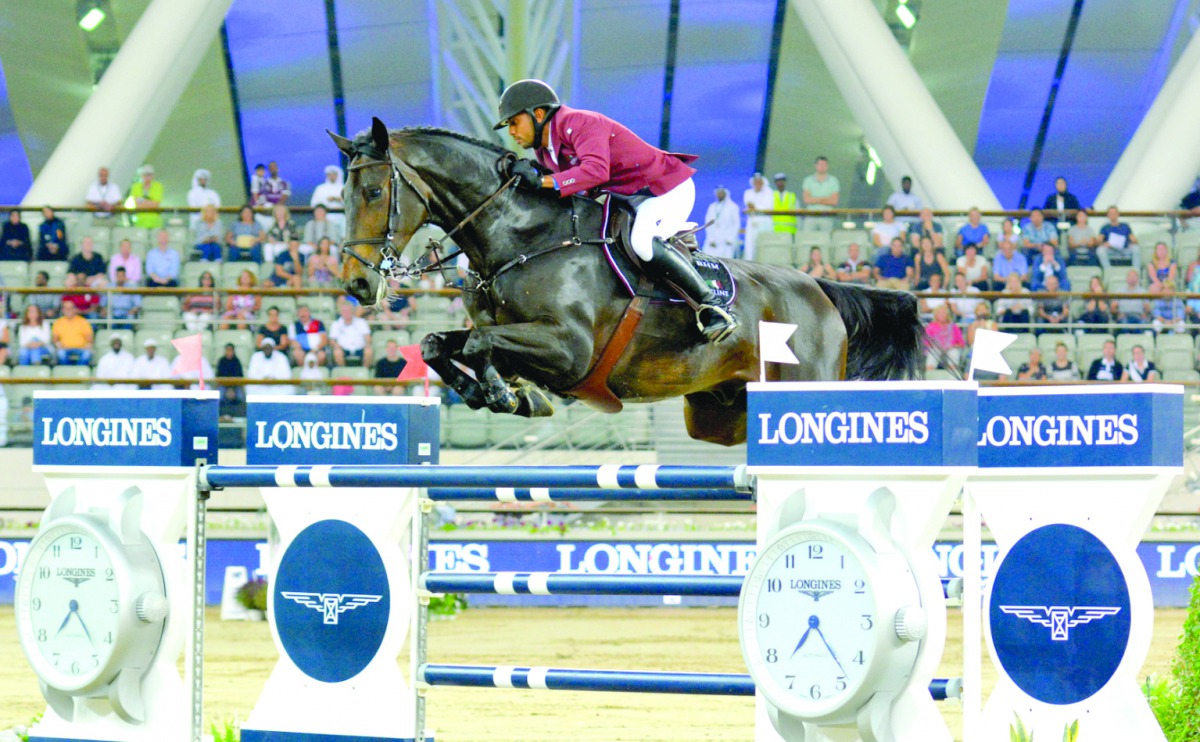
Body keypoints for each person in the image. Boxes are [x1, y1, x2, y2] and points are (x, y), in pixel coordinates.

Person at [494, 78, 736, 342]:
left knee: (642, 242)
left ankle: (712, 306)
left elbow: (596, 171)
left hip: (665, 189)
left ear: (538, 114)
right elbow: (572, 188)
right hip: (630, 199)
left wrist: (543, 181)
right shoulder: (545, 151)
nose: (512, 132)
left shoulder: (580, 123)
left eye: (514, 122)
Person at [801, 156, 839, 232]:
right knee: (808, 238)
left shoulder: (834, 181)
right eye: (820, 165)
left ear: (827, 166)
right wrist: (824, 199)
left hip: (826, 216)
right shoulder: (808, 180)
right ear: (816, 165)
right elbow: (806, 199)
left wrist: (814, 199)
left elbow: (834, 201)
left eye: (824, 165)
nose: (822, 167)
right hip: (811, 215)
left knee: (826, 239)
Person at [329, 301, 373, 367]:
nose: (346, 313)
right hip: (343, 350)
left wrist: (367, 344)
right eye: (344, 311)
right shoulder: (336, 324)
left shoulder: (361, 322)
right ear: (340, 312)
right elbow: (332, 341)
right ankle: (343, 371)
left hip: (360, 349)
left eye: (348, 310)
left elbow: (368, 337)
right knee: (337, 352)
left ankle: (365, 372)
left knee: (369, 351)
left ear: (352, 311)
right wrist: (336, 346)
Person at [741, 172, 773, 261]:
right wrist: (755, 207)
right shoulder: (748, 193)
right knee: (750, 246)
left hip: (764, 222)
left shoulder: (769, 192)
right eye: (756, 182)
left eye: (759, 182)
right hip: (752, 222)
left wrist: (755, 207)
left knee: (763, 245)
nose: (757, 184)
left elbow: (768, 207)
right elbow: (748, 204)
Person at [702, 186, 739, 259]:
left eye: (721, 193)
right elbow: (708, 223)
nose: (720, 195)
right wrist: (711, 238)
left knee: (726, 260)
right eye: (718, 193)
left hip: (726, 240)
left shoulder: (733, 206)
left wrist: (730, 238)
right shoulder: (712, 206)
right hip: (714, 238)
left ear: (726, 194)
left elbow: (736, 224)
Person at [51, 300, 93, 365]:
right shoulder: (58, 322)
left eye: (70, 308)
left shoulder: (83, 321)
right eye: (66, 308)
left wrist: (88, 346)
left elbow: (89, 338)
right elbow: (55, 339)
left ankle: (79, 372)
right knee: (60, 354)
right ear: (63, 310)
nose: (68, 310)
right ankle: (68, 372)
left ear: (75, 309)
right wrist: (59, 346)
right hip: (64, 348)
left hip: (81, 348)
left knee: (87, 354)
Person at [1097, 206, 1139, 270]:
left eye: (1115, 213)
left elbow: (1134, 240)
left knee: (1136, 248)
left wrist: (1133, 242)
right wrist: (1104, 244)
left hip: (1124, 249)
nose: (1113, 215)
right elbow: (1098, 241)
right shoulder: (1105, 227)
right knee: (1100, 250)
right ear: (1108, 215)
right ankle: (1108, 270)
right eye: (1111, 213)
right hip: (1111, 250)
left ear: (1118, 214)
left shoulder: (1125, 226)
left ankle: (1136, 271)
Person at [924, 304, 963, 371]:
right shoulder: (930, 327)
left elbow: (961, 342)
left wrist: (953, 346)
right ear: (935, 315)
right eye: (940, 313)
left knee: (954, 352)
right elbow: (926, 342)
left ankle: (952, 374)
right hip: (935, 348)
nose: (942, 314)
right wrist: (936, 346)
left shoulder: (954, 327)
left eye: (944, 312)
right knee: (933, 352)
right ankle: (929, 373)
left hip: (950, 349)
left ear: (947, 315)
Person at [129, 164, 164, 230]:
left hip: (155, 221)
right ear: (142, 175)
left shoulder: (158, 186)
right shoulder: (135, 187)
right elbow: (137, 204)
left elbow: (156, 204)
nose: (147, 177)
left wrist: (141, 201)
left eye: (149, 174)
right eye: (145, 174)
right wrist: (150, 202)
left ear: (153, 176)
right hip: (140, 221)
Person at [216, 344, 247, 419]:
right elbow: (218, 376)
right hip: (223, 385)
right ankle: (220, 417)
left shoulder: (237, 361)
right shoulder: (221, 361)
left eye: (231, 350)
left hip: (235, 386)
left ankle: (241, 418)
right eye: (227, 350)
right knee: (218, 396)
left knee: (241, 396)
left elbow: (240, 377)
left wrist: (232, 388)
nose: (229, 352)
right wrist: (227, 388)